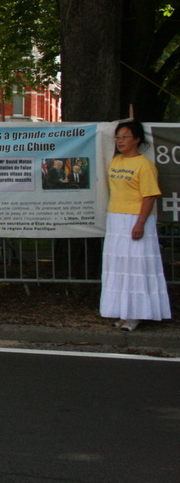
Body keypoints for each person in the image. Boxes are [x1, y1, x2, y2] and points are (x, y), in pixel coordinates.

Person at [100, 121, 172, 332]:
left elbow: (150, 196)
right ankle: (123, 312)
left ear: (137, 139)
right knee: (120, 266)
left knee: (136, 266)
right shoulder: (115, 160)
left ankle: (136, 315)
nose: (120, 141)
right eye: (118, 137)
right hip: (116, 218)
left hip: (136, 218)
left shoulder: (144, 165)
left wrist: (140, 223)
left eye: (125, 137)